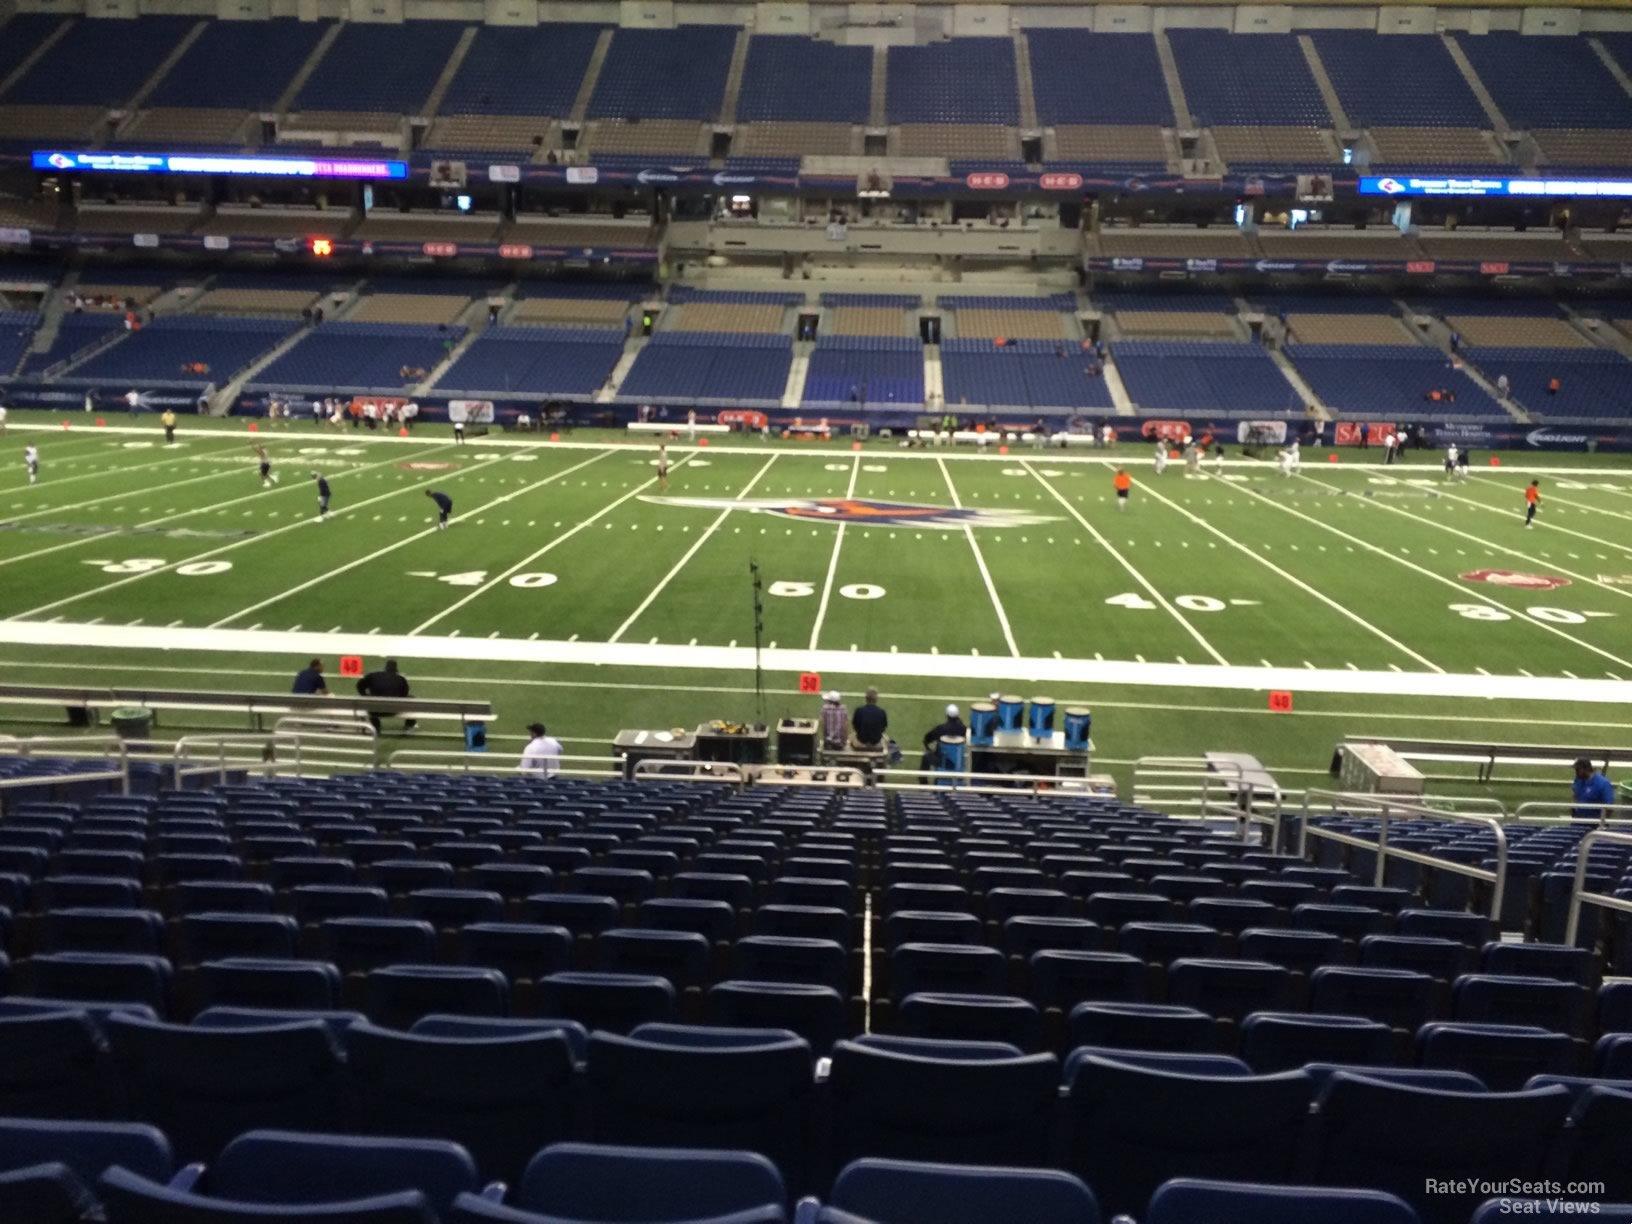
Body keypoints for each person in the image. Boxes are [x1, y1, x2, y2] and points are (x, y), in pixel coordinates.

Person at [356, 658, 414, 733]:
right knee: (411, 698)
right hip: (394, 710)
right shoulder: (401, 679)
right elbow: (404, 694)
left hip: (375, 710)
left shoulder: (373, 675)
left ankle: (376, 726)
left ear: (385, 668)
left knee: (370, 701)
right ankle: (410, 724)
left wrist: (365, 695)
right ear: (396, 669)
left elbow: (359, 685)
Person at [919, 703, 967, 776]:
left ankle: (923, 782)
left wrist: (928, 749)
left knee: (927, 756)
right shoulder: (964, 729)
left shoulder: (941, 729)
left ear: (946, 715)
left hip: (943, 761)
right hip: (960, 760)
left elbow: (926, 739)